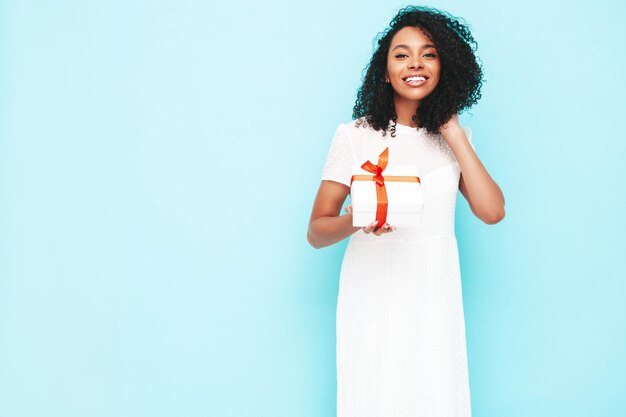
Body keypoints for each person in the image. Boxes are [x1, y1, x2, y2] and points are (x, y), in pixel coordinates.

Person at [306, 5, 505, 417]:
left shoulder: (455, 138)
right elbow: (316, 231)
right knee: (376, 394)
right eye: (401, 54)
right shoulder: (355, 136)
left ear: (444, 66)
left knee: (432, 394)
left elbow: (491, 211)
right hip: (372, 286)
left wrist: (452, 131)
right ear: (384, 71)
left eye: (429, 54)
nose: (415, 63)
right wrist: (359, 218)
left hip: (432, 287)